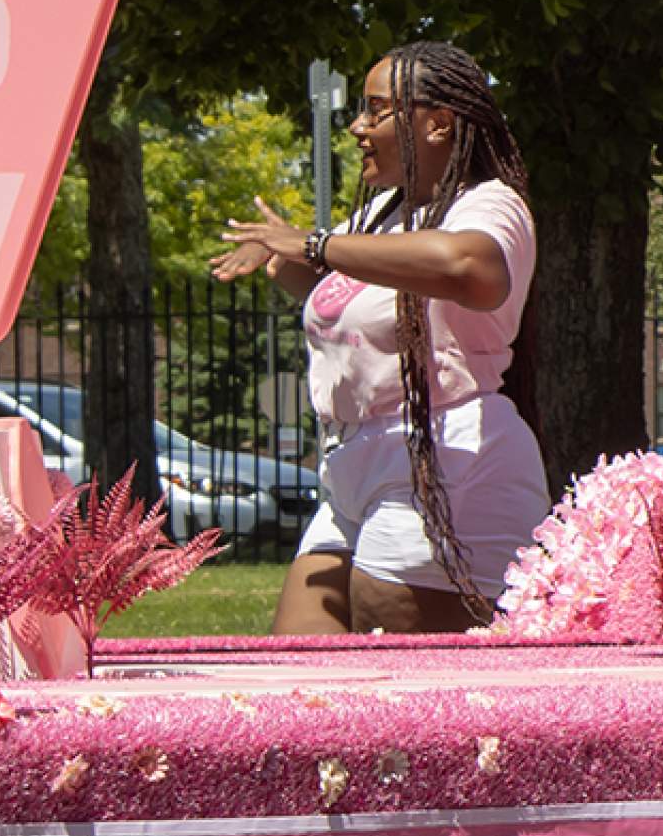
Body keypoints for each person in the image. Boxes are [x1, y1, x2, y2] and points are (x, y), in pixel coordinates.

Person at [215, 42, 550, 631]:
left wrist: (315, 244)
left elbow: (466, 267)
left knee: (406, 693)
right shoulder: (385, 218)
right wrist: (277, 250)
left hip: (447, 456)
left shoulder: (489, 205)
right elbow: (330, 287)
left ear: (438, 122)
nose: (357, 128)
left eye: (376, 111)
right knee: (296, 677)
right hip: (356, 459)